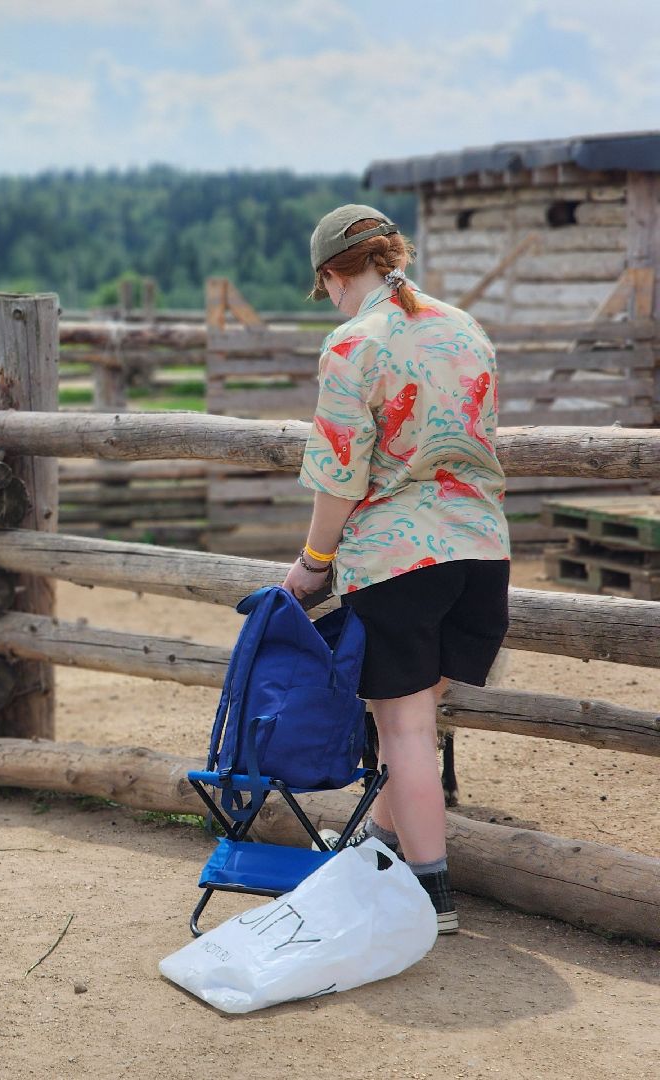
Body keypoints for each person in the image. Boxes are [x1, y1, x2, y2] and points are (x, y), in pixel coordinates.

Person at [281, 204, 509, 935]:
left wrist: (314, 563)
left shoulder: (354, 343)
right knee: (413, 723)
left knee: (404, 730)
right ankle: (374, 852)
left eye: (330, 290)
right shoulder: (465, 328)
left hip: (400, 558)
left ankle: (431, 897)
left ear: (332, 276)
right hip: (481, 552)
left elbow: (340, 479)